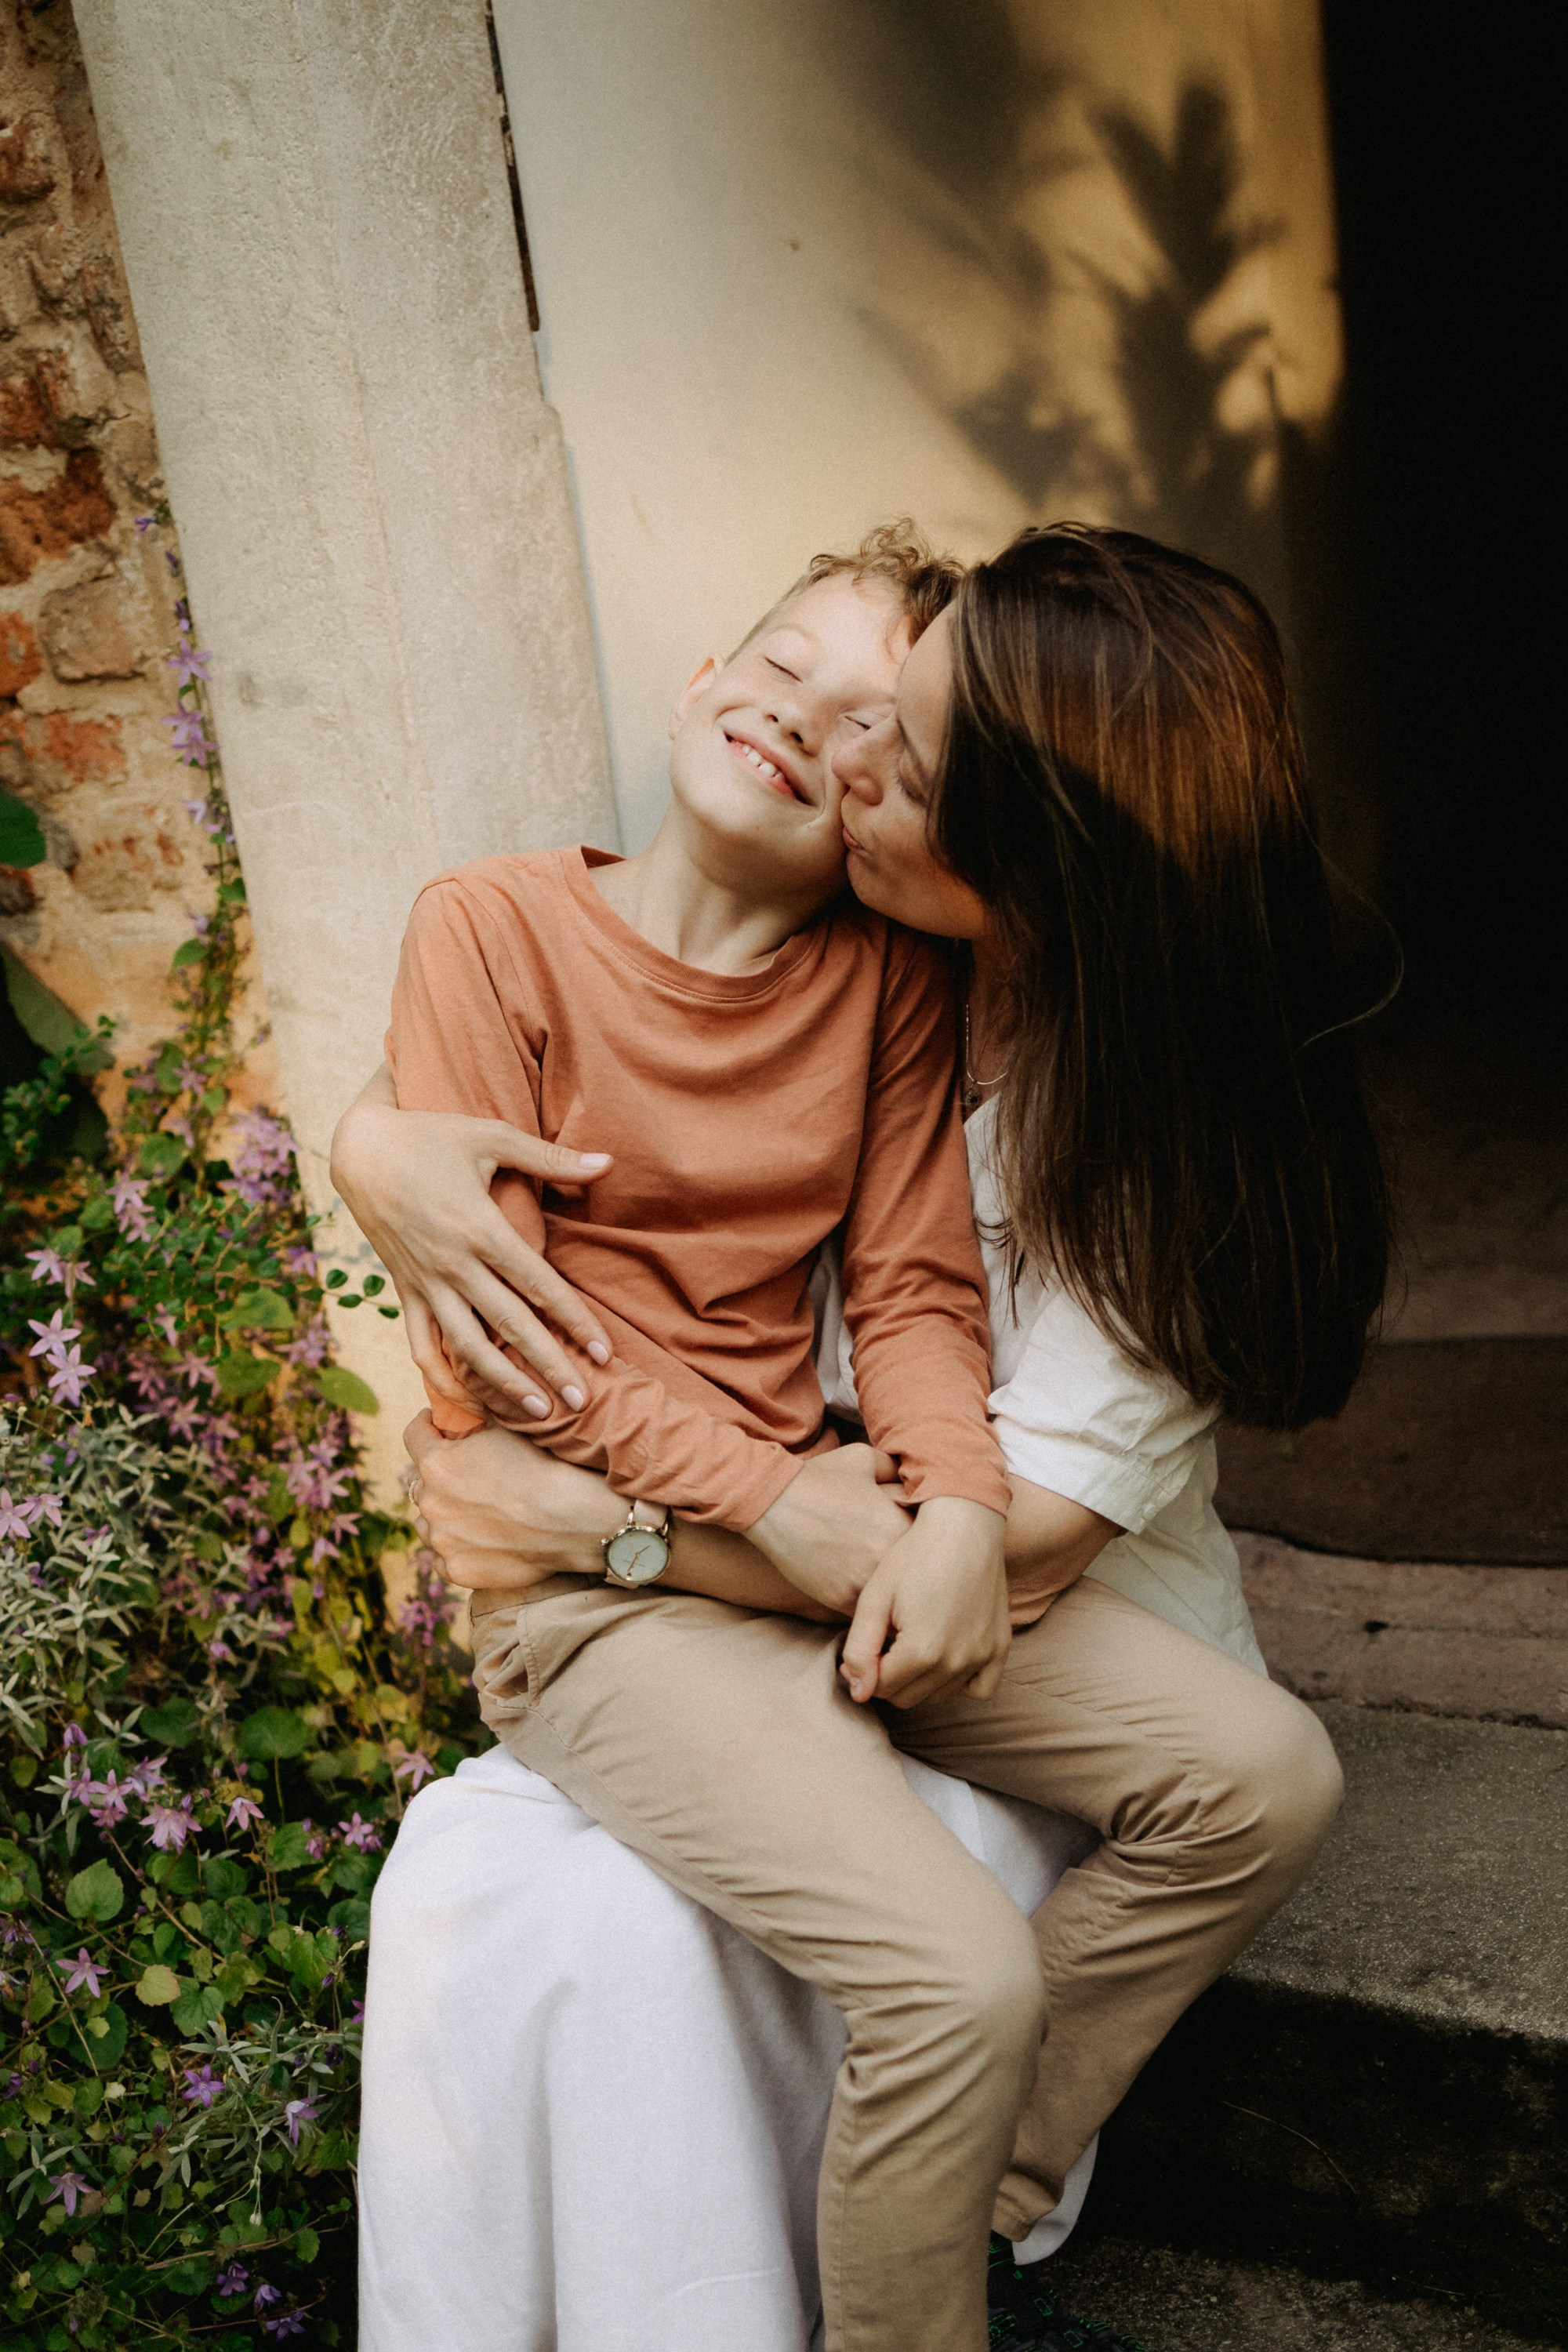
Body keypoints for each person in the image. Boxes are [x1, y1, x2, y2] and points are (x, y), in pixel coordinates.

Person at [338, 525, 1385, 2352]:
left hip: (849, 1560)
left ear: (1009, 868)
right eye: (829, 703)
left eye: (888, 752)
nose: (839, 745)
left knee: (1258, 1780)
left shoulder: (1037, 1070)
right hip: (713, 1575)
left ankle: (939, 2222)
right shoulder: (511, 921)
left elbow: (914, 1299)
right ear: (701, 677)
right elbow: (521, 1293)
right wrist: (372, 1145)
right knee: (951, 1977)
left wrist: (932, 1516)